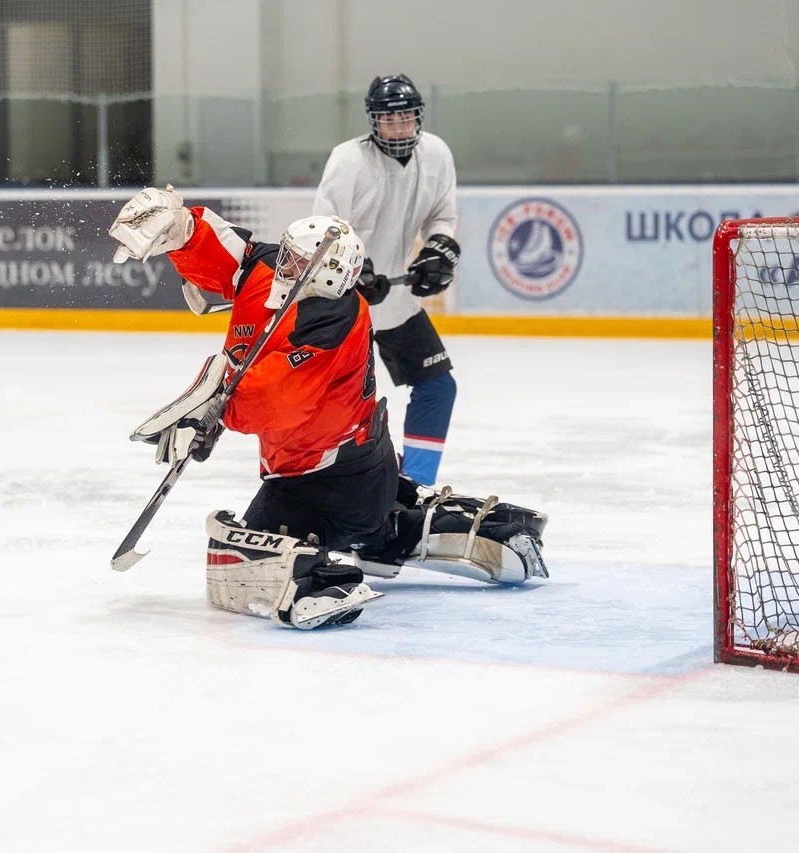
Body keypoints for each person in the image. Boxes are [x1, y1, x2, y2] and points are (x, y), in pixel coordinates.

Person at [108, 187, 548, 630]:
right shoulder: (269, 268)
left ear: (332, 282)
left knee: (232, 560)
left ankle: (320, 582)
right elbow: (233, 254)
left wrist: (213, 410)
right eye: (290, 256)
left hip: (328, 481)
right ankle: (450, 529)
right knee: (370, 525)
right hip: (360, 468)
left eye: (302, 266)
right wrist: (183, 230)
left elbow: (274, 402)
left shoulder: (330, 321)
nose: (289, 268)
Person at [313, 73, 460, 487]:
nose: (398, 128)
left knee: (438, 387)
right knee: (345, 404)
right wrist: (355, 269)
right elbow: (324, 230)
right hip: (342, 305)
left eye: (405, 118)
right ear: (373, 122)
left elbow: (443, 216)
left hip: (394, 304)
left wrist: (439, 250)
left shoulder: (437, 154)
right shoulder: (348, 160)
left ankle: (414, 484)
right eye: (388, 120)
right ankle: (342, 488)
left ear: (418, 117)